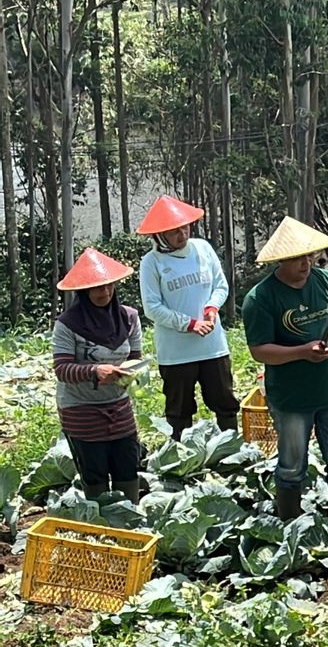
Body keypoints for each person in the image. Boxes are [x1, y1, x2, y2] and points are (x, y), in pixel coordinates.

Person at [243, 217, 328, 520]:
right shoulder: (260, 298)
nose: (305, 263)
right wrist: (301, 353)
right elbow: (259, 350)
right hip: (291, 397)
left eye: (308, 255)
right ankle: (290, 522)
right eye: (297, 258)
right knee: (292, 466)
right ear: (281, 259)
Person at [136, 195, 239, 440]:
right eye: (174, 231)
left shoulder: (203, 248)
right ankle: (180, 454)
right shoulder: (151, 263)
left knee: (224, 400)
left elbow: (220, 286)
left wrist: (212, 309)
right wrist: (189, 324)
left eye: (184, 227)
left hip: (213, 346)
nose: (182, 234)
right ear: (159, 235)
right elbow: (152, 307)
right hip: (176, 353)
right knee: (179, 408)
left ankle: (231, 448)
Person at [53, 248, 144, 503]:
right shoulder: (68, 324)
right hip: (81, 410)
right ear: (83, 292)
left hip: (118, 405)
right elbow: (61, 369)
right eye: (96, 289)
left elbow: (135, 357)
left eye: (108, 287)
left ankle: (130, 519)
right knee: (95, 473)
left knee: (127, 464)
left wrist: (130, 372)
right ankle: (101, 525)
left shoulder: (129, 318)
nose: (103, 293)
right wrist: (95, 370)